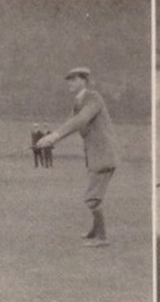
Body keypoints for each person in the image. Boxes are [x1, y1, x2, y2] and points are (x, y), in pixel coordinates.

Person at [34, 67, 119, 244]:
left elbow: (81, 120)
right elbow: (70, 123)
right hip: (95, 155)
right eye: (69, 80)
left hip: (104, 155)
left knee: (92, 197)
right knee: (94, 195)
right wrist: (49, 139)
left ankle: (102, 237)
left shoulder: (93, 98)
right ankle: (95, 231)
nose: (70, 83)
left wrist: (54, 136)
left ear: (84, 81)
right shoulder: (78, 101)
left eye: (74, 80)